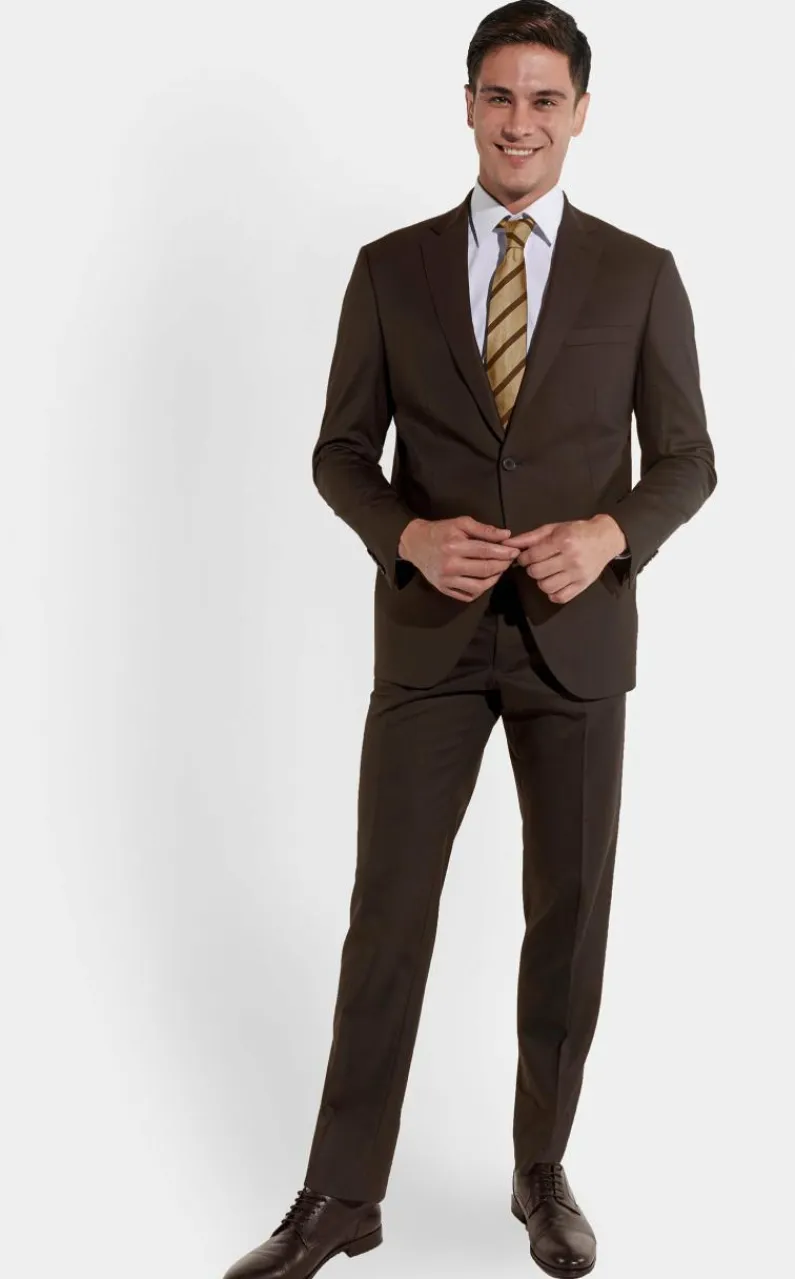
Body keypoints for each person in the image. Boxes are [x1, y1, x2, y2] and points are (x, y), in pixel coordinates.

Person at [222, 2, 717, 1275]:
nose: (519, 122)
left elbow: (685, 459)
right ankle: (341, 1195)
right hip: (427, 647)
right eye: (499, 95)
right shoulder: (389, 270)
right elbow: (340, 451)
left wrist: (609, 532)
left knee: (568, 916)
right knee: (387, 913)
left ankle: (539, 1169)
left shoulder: (637, 274)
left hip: (575, 642)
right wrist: (405, 533)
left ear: (579, 114)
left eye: (544, 99)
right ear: (466, 105)